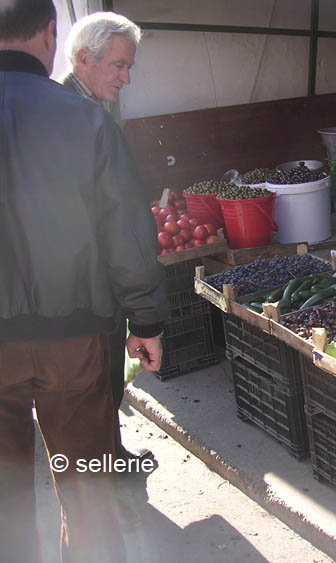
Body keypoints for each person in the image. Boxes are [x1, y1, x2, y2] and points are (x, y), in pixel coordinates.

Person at [0, 0, 170, 560]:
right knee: (87, 486)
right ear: (52, 35)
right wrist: (146, 321)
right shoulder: (87, 120)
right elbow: (127, 233)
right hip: (73, 342)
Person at [60, 12, 150, 462]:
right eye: (119, 65)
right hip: (84, 293)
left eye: (129, 66)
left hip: (71, 289)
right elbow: (117, 227)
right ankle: (103, 469)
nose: (126, 78)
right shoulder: (75, 119)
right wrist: (143, 316)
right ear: (83, 58)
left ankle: (107, 454)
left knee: (97, 389)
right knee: (94, 386)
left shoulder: (84, 111)